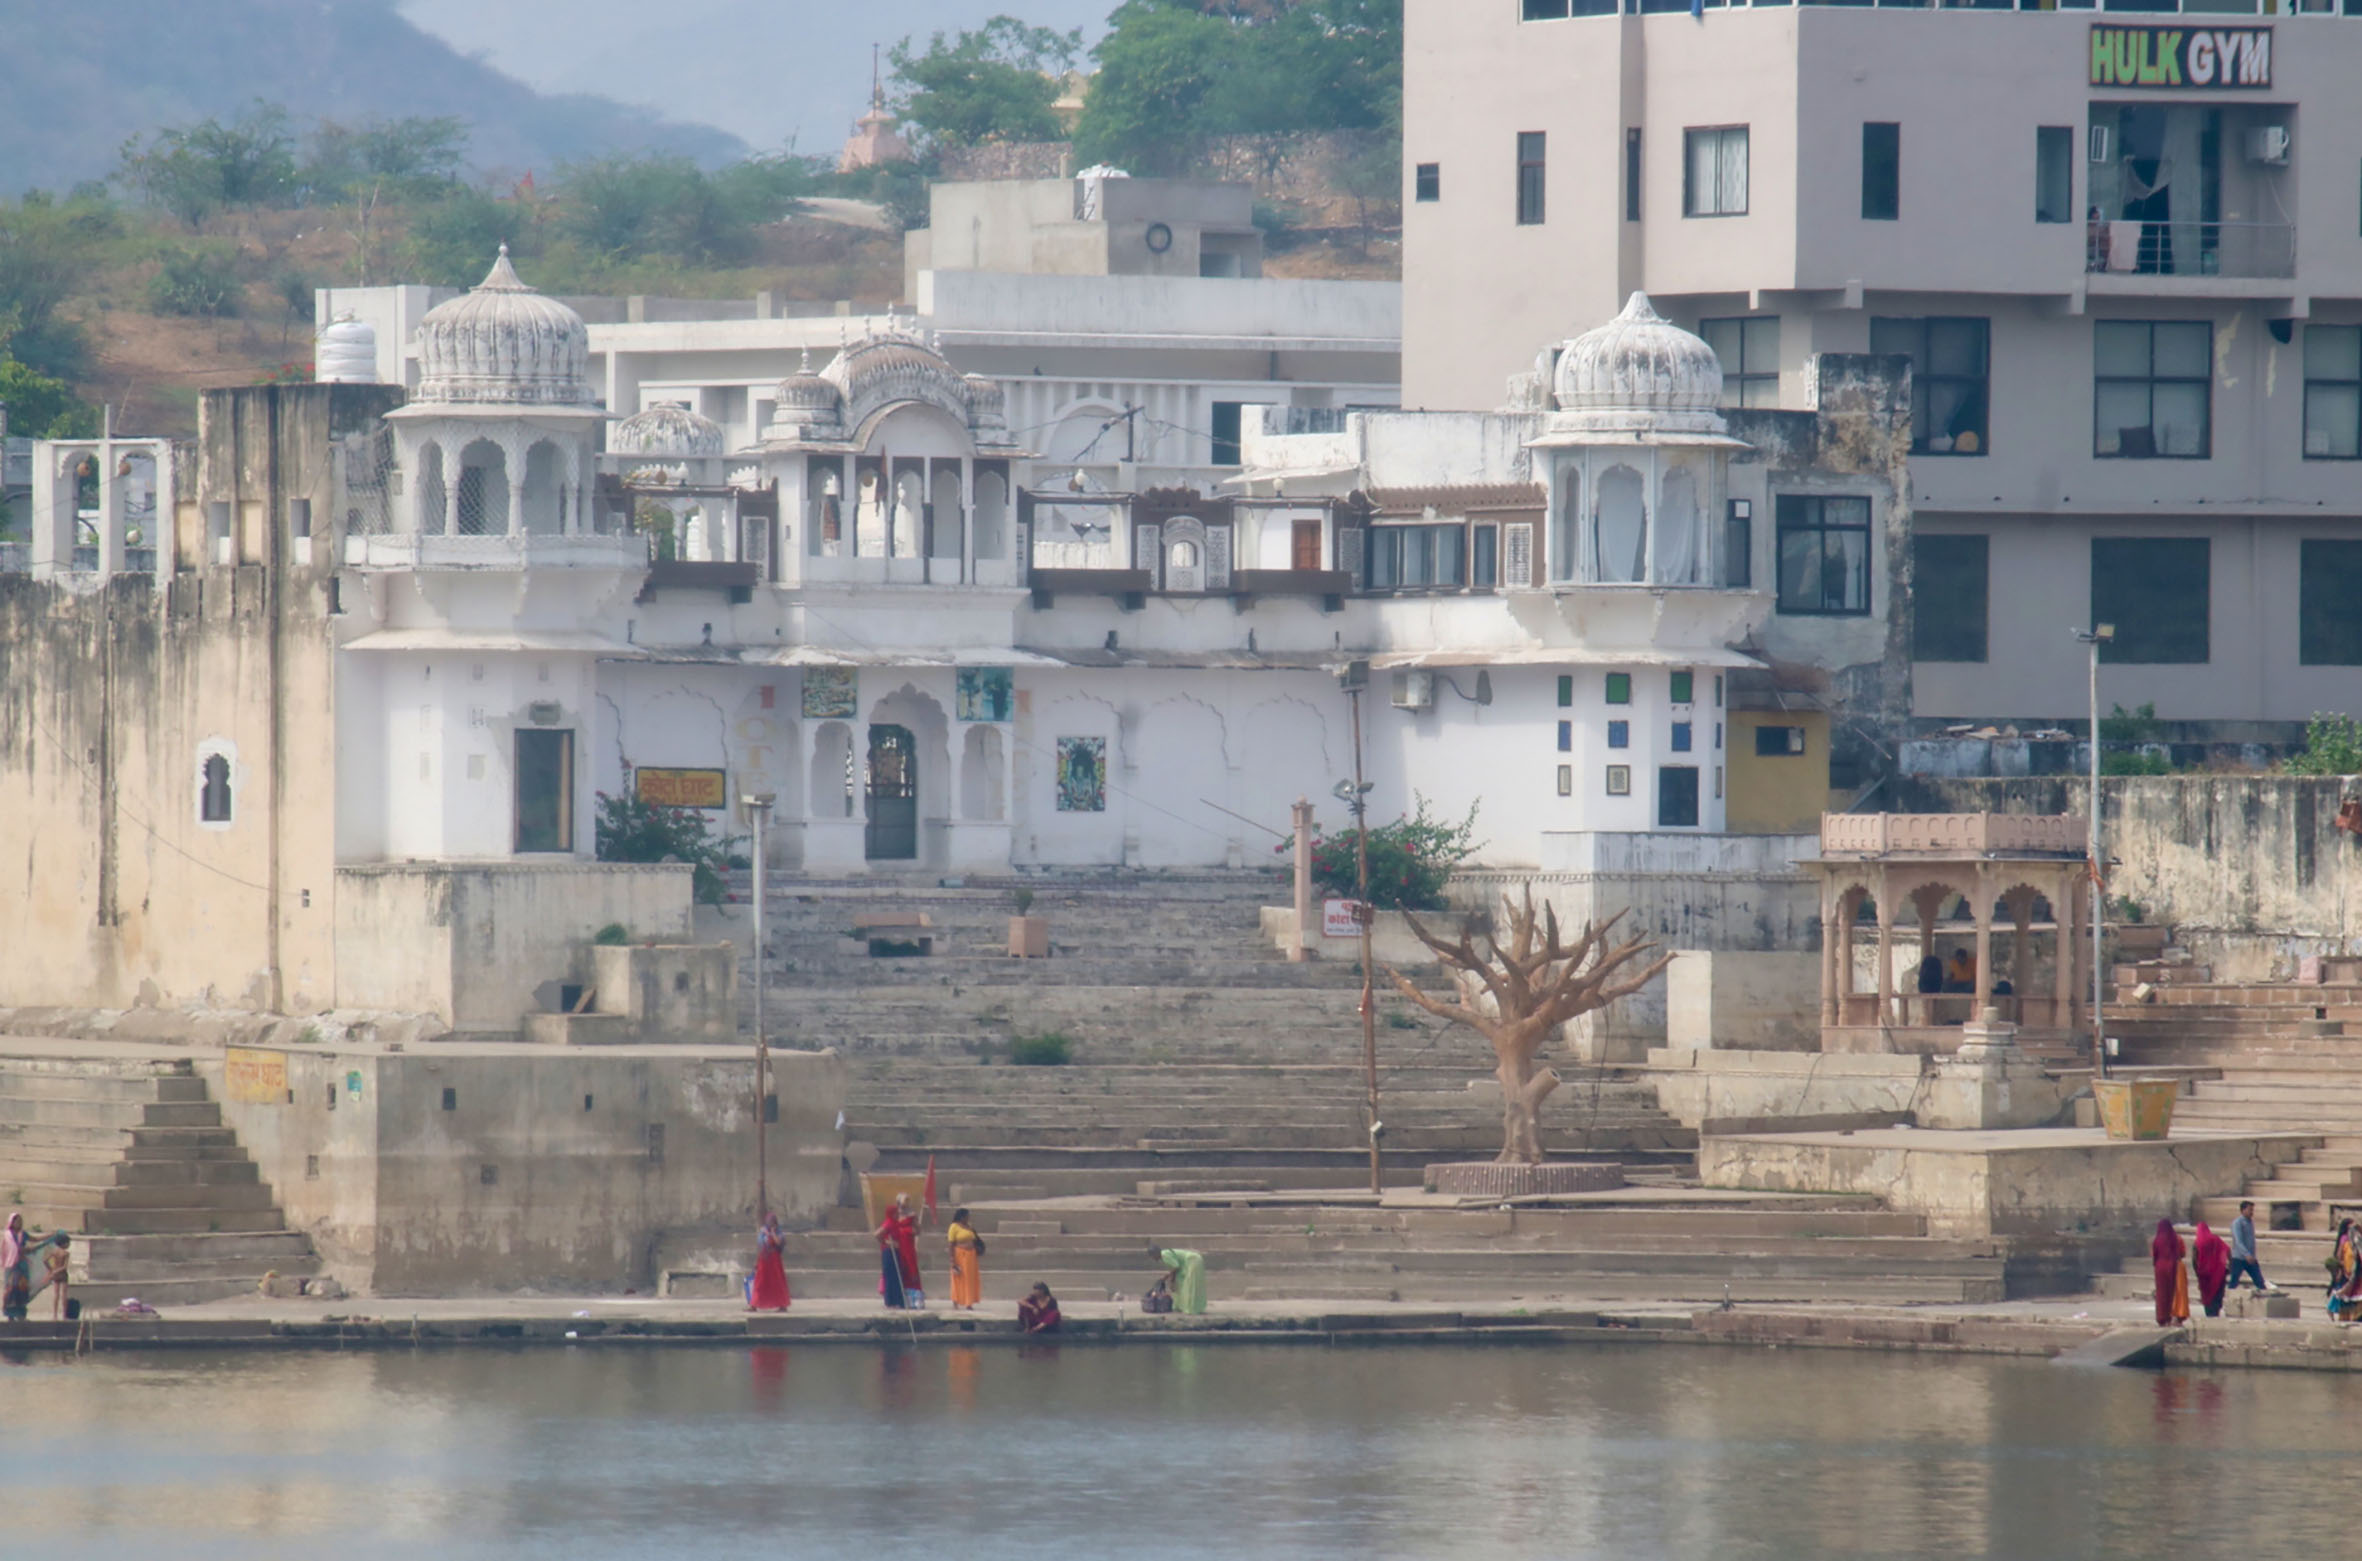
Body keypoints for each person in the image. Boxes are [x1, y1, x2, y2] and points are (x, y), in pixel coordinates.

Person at [1, 1212, 63, 1324]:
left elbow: (35, 1239)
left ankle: (20, 1315)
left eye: (21, 1221)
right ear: (12, 1222)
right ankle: (10, 1315)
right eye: (17, 1221)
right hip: (11, 1266)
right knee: (11, 1289)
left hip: (23, 1265)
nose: (19, 1223)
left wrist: (50, 1235)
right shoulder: (7, 1235)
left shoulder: (23, 1234)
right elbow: (7, 1250)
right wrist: (21, 1250)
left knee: (22, 1289)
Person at [874, 1194, 922, 1310]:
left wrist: (914, 1225)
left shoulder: (911, 1215)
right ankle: (892, 1300)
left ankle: (909, 1300)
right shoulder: (891, 1219)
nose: (905, 1204)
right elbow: (880, 1234)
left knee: (909, 1271)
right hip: (893, 1249)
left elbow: (918, 1231)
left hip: (907, 1246)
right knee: (893, 1275)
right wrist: (886, 1242)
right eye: (903, 1202)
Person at [748, 1211, 791, 1312]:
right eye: (768, 1221)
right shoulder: (762, 1232)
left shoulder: (779, 1232)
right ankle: (754, 1305)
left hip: (775, 1261)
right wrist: (756, 1262)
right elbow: (760, 1246)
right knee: (759, 1282)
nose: (770, 1223)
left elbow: (778, 1243)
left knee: (778, 1282)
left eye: (772, 1221)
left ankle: (782, 1305)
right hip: (764, 1260)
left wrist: (772, 1233)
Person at [1150, 1245, 1207, 1316]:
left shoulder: (1164, 1255)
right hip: (1189, 1262)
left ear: (1155, 1254)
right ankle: (1181, 1306)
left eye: (1152, 1257)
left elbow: (1175, 1267)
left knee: (1190, 1285)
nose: (1153, 1259)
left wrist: (1171, 1280)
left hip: (1193, 1260)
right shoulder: (1164, 1254)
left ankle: (1192, 1308)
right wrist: (1168, 1278)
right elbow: (1174, 1267)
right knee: (1180, 1283)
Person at [2151, 1217, 2187, 1327]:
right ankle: (2171, 1316)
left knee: (2161, 1293)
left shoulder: (2156, 1240)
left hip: (2160, 1268)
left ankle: (2162, 1318)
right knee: (2172, 1293)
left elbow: (2155, 1255)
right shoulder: (2175, 1238)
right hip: (2172, 1266)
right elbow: (2181, 1253)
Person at [2227, 1200, 2269, 1293]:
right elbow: (2238, 1241)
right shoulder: (2237, 1223)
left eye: (2252, 1210)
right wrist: (2246, 1254)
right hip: (2239, 1258)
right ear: (2243, 1210)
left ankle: (2263, 1297)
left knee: (2259, 1281)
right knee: (2234, 1281)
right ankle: (2229, 1298)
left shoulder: (2250, 1222)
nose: (2252, 1212)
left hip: (2250, 1257)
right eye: (2250, 1210)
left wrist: (2251, 1255)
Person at [946, 1207, 984, 1311]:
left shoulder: (969, 1227)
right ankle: (955, 1301)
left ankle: (969, 1302)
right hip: (960, 1255)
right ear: (961, 1217)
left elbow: (974, 1239)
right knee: (958, 1278)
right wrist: (952, 1260)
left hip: (971, 1257)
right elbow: (951, 1244)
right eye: (967, 1216)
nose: (968, 1218)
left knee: (970, 1279)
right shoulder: (954, 1227)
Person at [2191, 1221, 2230, 1318]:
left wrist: (2198, 1273)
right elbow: (2227, 1250)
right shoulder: (2216, 1239)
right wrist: (2227, 1267)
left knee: (2207, 1296)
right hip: (2218, 1274)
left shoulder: (2197, 1242)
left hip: (2204, 1276)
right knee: (2217, 1294)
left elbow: (2194, 1260)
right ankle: (2216, 1313)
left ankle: (2209, 1315)